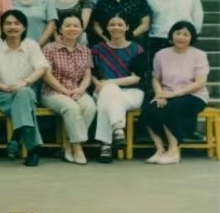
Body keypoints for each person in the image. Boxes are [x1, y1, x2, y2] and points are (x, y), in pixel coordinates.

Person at [0, 10, 50, 167]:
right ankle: (32, 148)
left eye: (17, 23)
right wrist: (5, 88)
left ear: (24, 27)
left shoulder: (32, 45)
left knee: (24, 93)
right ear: (2, 27)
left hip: (25, 91)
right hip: (0, 94)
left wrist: (25, 82)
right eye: (8, 23)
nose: (12, 27)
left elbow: (41, 69)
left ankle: (18, 139)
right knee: (25, 103)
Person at [143, 21, 209, 165]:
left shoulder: (199, 55)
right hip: (167, 93)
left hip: (193, 95)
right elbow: (156, 78)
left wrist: (174, 94)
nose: (181, 37)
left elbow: (200, 82)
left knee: (170, 109)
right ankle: (160, 149)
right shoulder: (161, 54)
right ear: (171, 35)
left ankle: (173, 151)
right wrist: (159, 93)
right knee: (149, 109)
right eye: (178, 33)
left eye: (185, 34)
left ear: (191, 37)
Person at [40, 15, 96, 165]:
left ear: (81, 29)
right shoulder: (49, 49)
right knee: (71, 108)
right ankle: (77, 148)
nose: (72, 29)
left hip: (77, 90)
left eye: (76, 26)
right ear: (60, 29)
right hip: (53, 92)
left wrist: (81, 90)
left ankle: (68, 143)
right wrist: (65, 91)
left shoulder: (85, 50)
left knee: (90, 107)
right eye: (68, 25)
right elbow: (46, 75)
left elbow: (87, 76)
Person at [91, 14, 147, 163]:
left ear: (127, 27)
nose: (116, 27)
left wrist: (108, 82)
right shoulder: (97, 49)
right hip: (102, 91)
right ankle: (118, 129)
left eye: (120, 24)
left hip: (132, 93)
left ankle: (106, 145)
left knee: (109, 93)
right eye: (112, 24)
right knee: (110, 92)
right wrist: (100, 84)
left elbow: (136, 78)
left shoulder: (137, 49)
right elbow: (91, 74)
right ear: (106, 27)